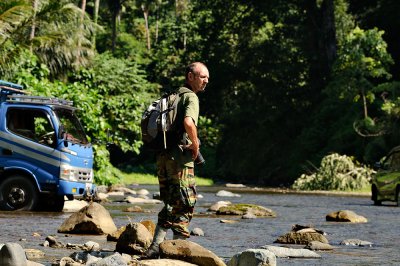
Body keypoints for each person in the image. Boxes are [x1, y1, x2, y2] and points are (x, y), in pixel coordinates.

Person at [143, 62, 209, 259]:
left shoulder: (172, 96)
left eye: (207, 78)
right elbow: (189, 122)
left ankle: (156, 247)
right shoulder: (191, 97)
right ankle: (180, 250)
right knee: (185, 202)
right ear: (190, 76)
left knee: (171, 203)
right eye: (202, 76)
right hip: (180, 160)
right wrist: (195, 145)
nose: (206, 81)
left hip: (163, 158)